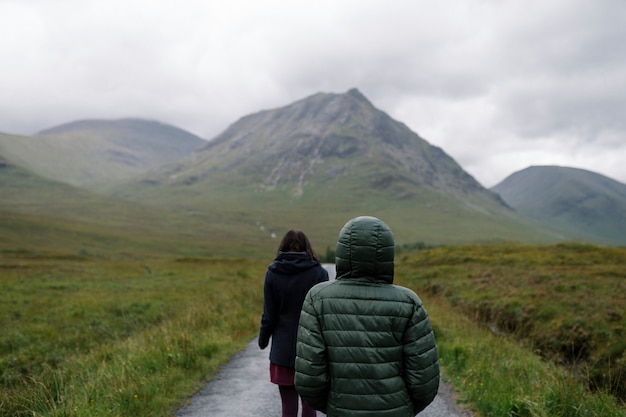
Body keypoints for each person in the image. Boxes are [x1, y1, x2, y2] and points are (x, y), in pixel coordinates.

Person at [295, 216, 440, 416]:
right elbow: (424, 380)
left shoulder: (317, 298)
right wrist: (403, 408)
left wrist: (333, 406)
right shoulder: (409, 302)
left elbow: (309, 377)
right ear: (387, 253)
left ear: (343, 251)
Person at [259, 229, 329, 417]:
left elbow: (269, 315)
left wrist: (263, 340)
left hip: (282, 351)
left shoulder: (273, 273)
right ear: (308, 248)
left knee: (287, 407)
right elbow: (324, 316)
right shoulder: (319, 274)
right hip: (311, 350)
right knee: (309, 406)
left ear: (282, 247)